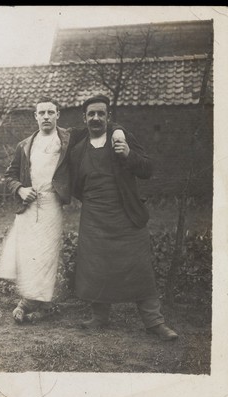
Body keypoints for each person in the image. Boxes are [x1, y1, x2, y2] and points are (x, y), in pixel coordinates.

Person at [0, 96, 124, 324]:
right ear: (35, 116)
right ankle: (30, 301)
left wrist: (119, 133)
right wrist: (20, 189)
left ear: (58, 115)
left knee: (46, 255)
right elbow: (8, 175)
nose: (46, 117)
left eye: (50, 112)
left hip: (52, 205)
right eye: (41, 113)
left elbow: (101, 124)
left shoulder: (68, 137)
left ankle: (40, 305)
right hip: (28, 205)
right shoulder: (24, 145)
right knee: (26, 254)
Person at [69, 94, 178, 341]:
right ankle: (99, 317)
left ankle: (154, 322)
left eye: (100, 113)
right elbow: (76, 185)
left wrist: (129, 154)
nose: (96, 118)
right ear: (84, 118)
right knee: (95, 266)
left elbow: (148, 169)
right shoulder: (77, 150)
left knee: (140, 267)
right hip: (94, 217)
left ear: (108, 117)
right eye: (91, 114)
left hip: (126, 214)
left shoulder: (122, 139)